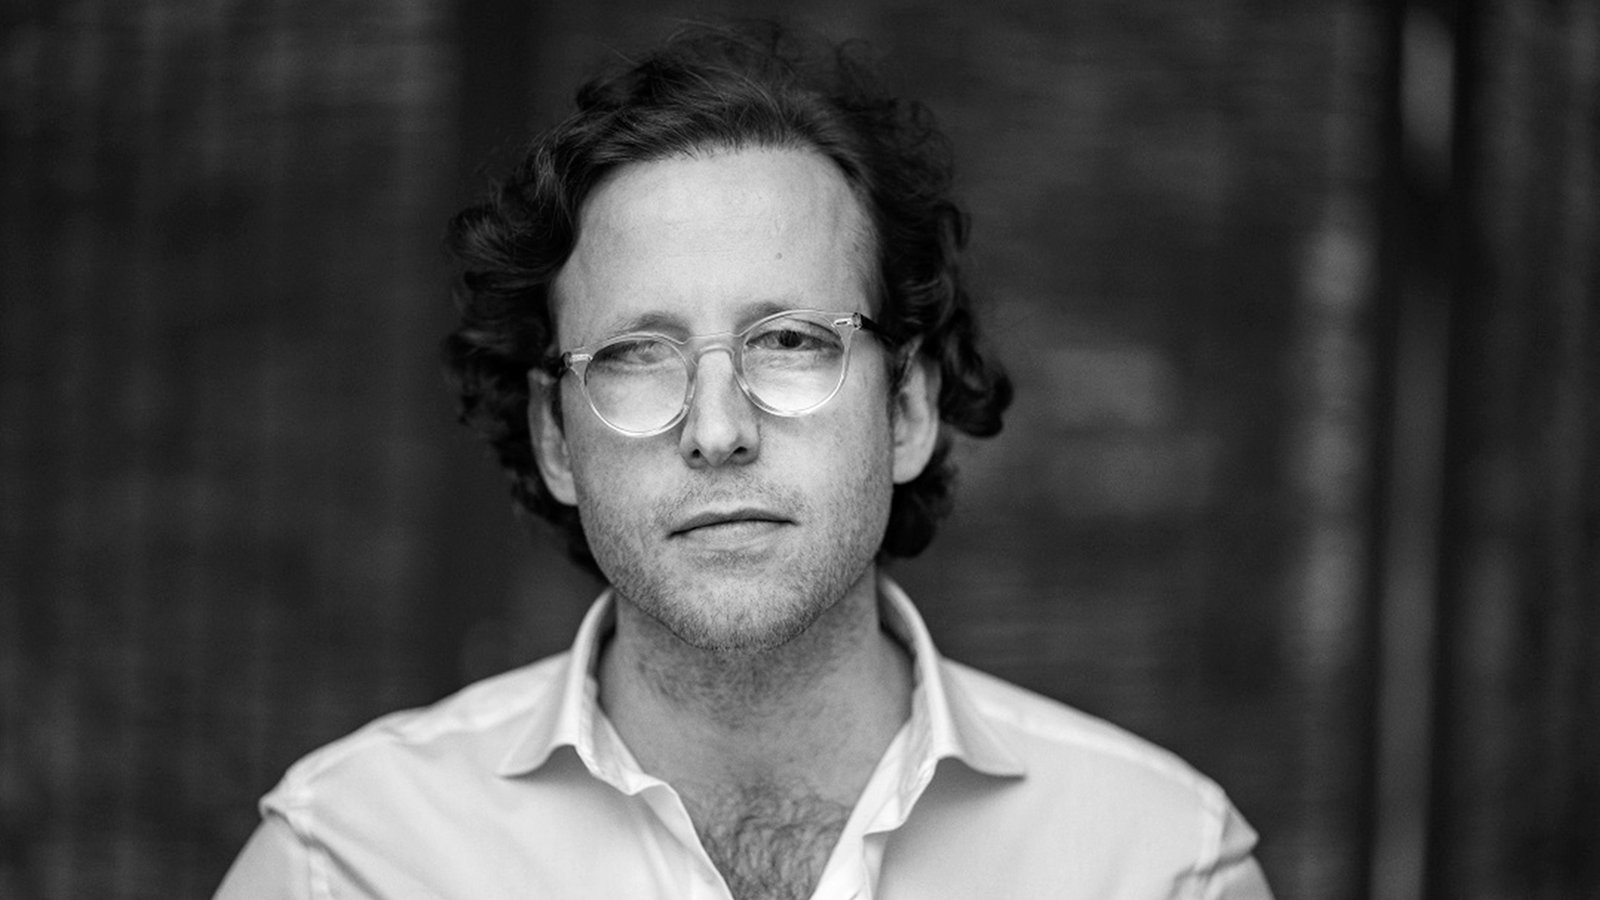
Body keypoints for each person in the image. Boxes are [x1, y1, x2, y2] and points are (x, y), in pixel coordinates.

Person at [216, 22, 1274, 900]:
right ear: (554, 439)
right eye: (637, 355)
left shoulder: (1157, 865)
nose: (717, 429)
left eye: (790, 342)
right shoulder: (347, 863)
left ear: (908, 407)